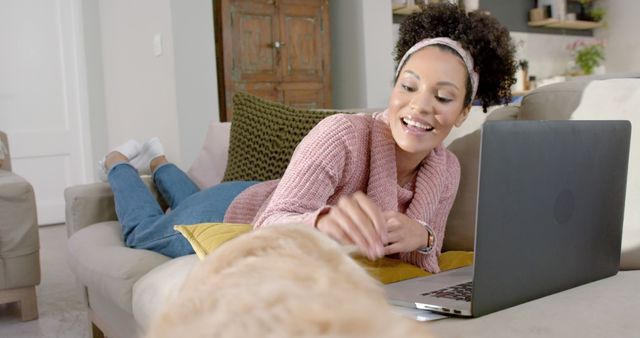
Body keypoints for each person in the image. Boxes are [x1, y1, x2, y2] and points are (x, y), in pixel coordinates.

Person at [102, 3, 515, 272]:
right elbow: (270, 223)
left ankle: (159, 163)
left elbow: (433, 243)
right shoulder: (343, 136)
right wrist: (325, 222)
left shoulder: (446, 169)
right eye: (408, 86)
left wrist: (421, 235)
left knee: (183, 194)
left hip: (258, 192)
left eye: (443, 97)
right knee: (144, 234)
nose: (421, 106)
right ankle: (119, 162)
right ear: (393, 89)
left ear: (462, 112)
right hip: (233, 209)